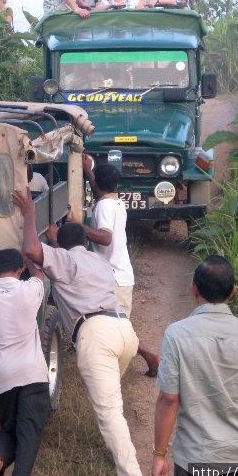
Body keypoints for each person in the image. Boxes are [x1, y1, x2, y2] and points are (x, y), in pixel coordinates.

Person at [12, 187, 144, 476]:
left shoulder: (66, 261)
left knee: (110, 415)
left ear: (59, 243)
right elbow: (47, 262)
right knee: (112, 403)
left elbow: (34, 251)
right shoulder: (99, 261)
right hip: (124, 331)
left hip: (97, 336)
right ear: (85, 241)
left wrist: (30, 215)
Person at [151, 255, 238, 476]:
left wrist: (159, 454)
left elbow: (168, 399)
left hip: (197, 459)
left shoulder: (177, 335)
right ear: (233, 291)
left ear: (194, 289)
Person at [0, 247, 50, 476]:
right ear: (20, 269)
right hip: (32, 373)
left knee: (9, 430)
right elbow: (40, 276)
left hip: (2, 377)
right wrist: (31, 260)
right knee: (29, 434)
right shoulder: (29, 290)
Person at [79, 158, 160, 377]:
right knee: (118, 328)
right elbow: (100, 194)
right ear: (117, 185)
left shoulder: (105, 205)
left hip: (115, 278)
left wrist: (80, 227)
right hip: (118, 275)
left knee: (119, 330)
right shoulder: (114, 201)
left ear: (96, 186)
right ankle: (149, 357)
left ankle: (150, 357)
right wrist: (89, 171)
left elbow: (105, 238)